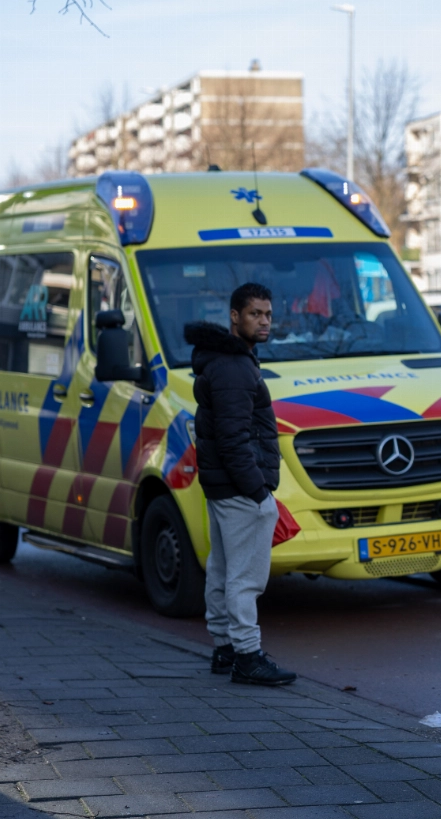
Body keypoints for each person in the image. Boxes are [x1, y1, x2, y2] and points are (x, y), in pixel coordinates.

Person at [184, 282, 295, 687]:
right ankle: (247, 656)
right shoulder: (233, 367)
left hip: (221, 487)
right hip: (239, 488)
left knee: (222, 569)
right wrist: (259, 492)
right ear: (235, 317)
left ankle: (225, 648)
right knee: (245, 577)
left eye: (267, 314)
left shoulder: (227, 360)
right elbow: (233, 441)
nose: (264, 321)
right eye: (255, 314)